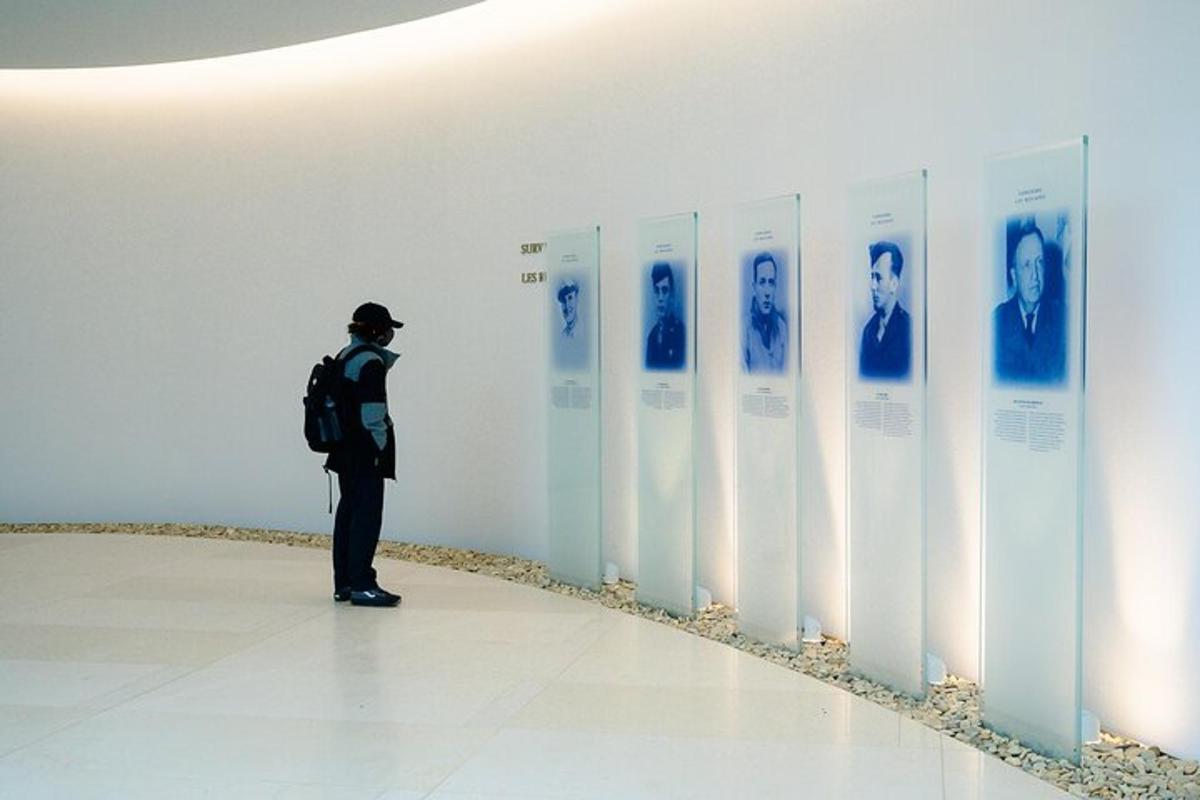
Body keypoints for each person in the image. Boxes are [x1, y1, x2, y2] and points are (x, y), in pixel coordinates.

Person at [325, 301, 404, 607]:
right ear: (376, 330)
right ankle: (362, 584)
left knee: (348, 513)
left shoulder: (346, 356)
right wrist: (381, 448)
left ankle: (343, 582)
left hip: (343, 451)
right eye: (387, 329)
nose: (389, 335)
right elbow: (373, 414)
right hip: (365, 452)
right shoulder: (370, 361)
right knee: (367, 517)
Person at [993, 218, 1066, 385]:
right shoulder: (997, 321)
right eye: (1026, 265)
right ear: (1014, 275)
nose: (1035, 275)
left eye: (1039, 263)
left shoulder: (1063, 319)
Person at [859, 241, 912, 380]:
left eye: (879, 278)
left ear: (894, 284)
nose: (873, 286)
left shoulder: (910, 330)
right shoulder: (868, 332)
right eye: (872, 277)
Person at [743, 252, 788, 373]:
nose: (767, 292)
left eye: (771, 282)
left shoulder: (782, 329)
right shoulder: (743, 330)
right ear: (754, 287)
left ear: (775, 287)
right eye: (762, 282)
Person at [645, 261, 685, 370]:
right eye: (657, 291)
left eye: (664, 290)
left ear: (671, 295)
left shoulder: (681, 333)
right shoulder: (652, 337)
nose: (660, 298)